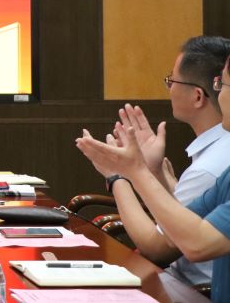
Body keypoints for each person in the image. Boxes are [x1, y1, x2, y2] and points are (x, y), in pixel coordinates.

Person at [77, 35, 230, 287]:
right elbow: (185, 220)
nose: (220, 95)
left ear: (197, 96)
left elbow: (162, 247)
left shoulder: (211, 167)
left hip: (190, 291)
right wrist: (154, 172)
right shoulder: (222, 169)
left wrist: (121, 175)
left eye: (222, 85)